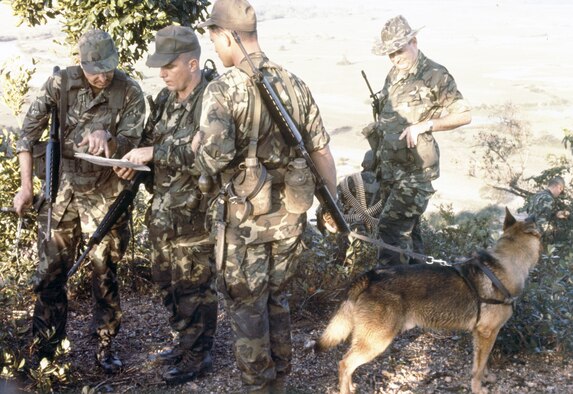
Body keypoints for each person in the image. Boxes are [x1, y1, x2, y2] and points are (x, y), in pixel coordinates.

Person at [194, 0, 338, 392]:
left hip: (244, 224)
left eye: (214, 39)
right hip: (290, 217)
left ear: (228, 36)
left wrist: (197, 144)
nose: (214, 48)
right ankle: (282, 381)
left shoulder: (222, 90)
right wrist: (332, 206)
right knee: (279, 299)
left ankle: (260, 387)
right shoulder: (294, 83)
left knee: (247, 306)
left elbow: (214, 157)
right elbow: (321, 151)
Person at [12, 29, 145, 373]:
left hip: (105, 195)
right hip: (62, 192)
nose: (102, 76)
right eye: (94, 69)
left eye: (108, 68)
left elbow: (132, 148)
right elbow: (26, 137)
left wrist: (109, 139)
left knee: (104, 273)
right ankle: (45, 349)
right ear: (80, 63)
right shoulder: (60, 85)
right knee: (50, 274)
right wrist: (26, 188)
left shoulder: (129, 91)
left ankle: (105, 345)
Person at [115, 25, 218, 385]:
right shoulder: (163, 99)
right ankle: (183, 342)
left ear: (193, 63)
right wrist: (133, 164)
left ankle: (198, 354)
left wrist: (155, 153)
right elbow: (149, 144)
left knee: (194, 288)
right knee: (167, 283)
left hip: (196, 216)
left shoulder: (213, 101)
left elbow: (208, 157)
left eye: (169, 66)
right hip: (163, 215)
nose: (162, 73)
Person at [363, 15, 472, 265]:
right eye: (390, 54)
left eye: (399, 50)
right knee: (410, 236)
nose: (395, 58)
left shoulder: (434, 74)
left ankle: (390, 293)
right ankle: (422, 291)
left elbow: (464, 114)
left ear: (414, 41)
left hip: (415, 173)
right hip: (392, 172)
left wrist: (426, 125)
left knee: (390, 232)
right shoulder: (394, 74)